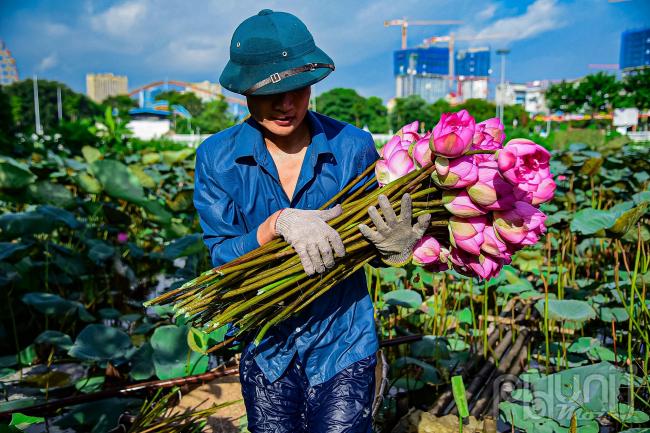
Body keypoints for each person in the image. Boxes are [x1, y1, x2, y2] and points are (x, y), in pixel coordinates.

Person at [193, 9, 430, 433]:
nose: (287, 105)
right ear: (245, 90)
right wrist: (275, 224)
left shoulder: (352, 146)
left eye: (298, 89)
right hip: (267, 339)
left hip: (343, 337)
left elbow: (370, 241)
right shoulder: (217, 157)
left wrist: (394, 250)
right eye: (271, 92)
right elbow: (221, 257)